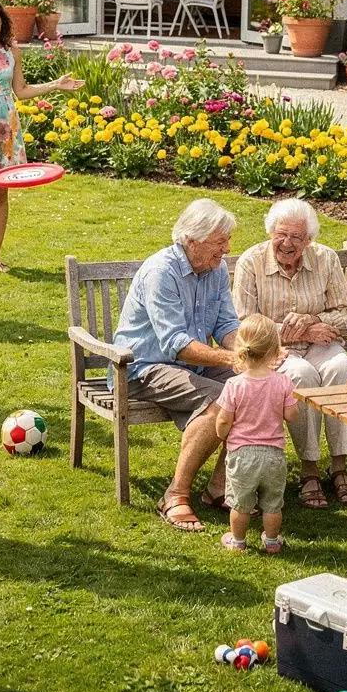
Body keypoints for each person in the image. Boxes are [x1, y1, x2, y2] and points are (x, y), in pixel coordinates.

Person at [112, 198, 240, 532]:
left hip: (188, 367)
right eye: (220, 240)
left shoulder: (215, 269)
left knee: (250, 389)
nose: (227, 247)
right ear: (193, 239)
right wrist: (230, 358)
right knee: (219, 402)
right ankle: (175, 494)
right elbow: (176, 345)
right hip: (141, 368)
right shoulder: (161, 272)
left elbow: (226, 326)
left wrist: (249, 355)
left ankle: (218, 488)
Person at [233, 199, 347, 510]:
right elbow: (245, 321)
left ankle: (340, 464)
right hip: (272, 352)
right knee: (301, 375)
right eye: (281, 234)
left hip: (321, 341)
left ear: (309, 240)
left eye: (297, 238)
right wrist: (300, 331)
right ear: (270, 231)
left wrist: (316, 321)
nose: (287, 244)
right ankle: (309, 469)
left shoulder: (325, 259)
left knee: (342, 367)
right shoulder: (252, 262)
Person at [0, 0, 82, 272]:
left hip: (5, 127)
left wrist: (55, 85)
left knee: (0, 194)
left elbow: (20, 90)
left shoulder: (12, 51)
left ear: (2, 23)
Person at [215, 313, 297, 555]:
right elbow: (292, 415)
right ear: (275, 349)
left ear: (241, 348)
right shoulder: (282, 382)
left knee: (240, 503)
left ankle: (238, 540)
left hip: (242, 455)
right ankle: (272, 540)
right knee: (273, 504)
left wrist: (222, 434)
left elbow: (223, 419)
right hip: (274, 454)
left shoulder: (234, 385)